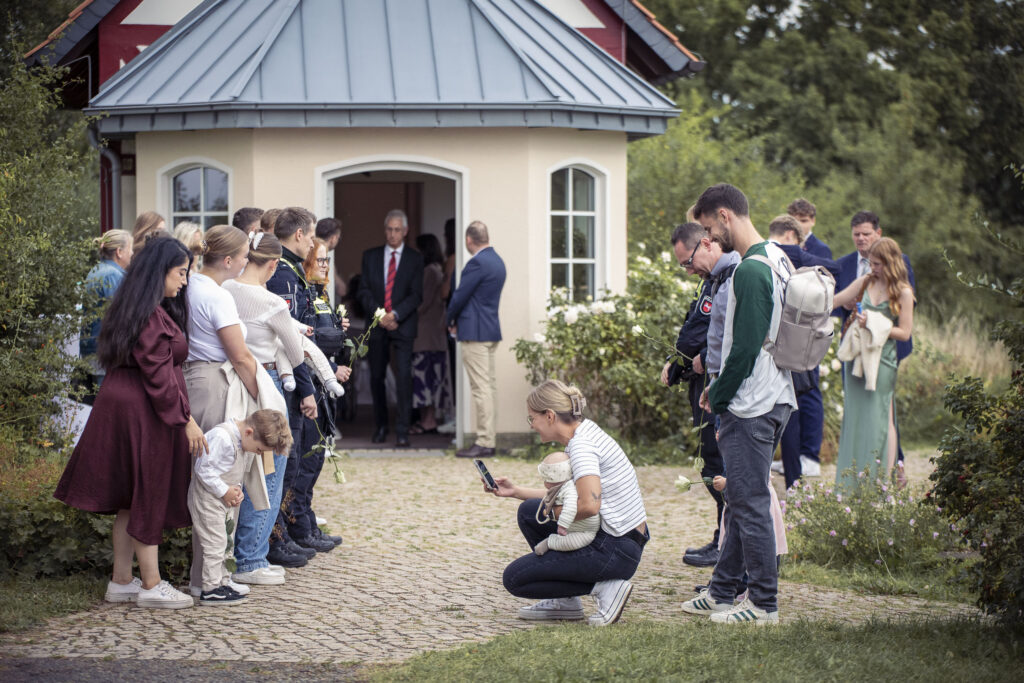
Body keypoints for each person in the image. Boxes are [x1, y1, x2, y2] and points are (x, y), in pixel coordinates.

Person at [55, 237, 203, 610]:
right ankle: (151, 584)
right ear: (159, 272)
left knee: (130, 496)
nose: (184, 280)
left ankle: (121, 580)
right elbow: (159, 376)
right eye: (180, 272)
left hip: (126, 402)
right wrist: (185, 420)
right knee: (148, 491)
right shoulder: (150, 315)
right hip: (143, 408)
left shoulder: (136, 308)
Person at [682, 183, 796, 625]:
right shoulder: (778, 258)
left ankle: (763, 603)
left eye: (709, 229)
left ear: (725, 216)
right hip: (776, 393)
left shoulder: (750, 270)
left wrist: (718, 393)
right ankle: (722, 591)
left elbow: (745, 349)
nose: (709, 238)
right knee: (740, 499)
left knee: (749, 503)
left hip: (752, 404)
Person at [490, 380, 648, 627]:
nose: (531, 425)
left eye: (532, 418)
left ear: (550, 416)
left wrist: (552, 513)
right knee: (529, 511)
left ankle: (606, 588)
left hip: (615, 549)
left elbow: (589, 505)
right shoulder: (586, 432)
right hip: (622, 540)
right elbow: (572, 497)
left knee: (515, 578)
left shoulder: (582, 448)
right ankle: (565, 601)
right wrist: (515, 491)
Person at [223, 231, 312, 570]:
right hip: (268, 382)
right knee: (269, 473)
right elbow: (296, 353)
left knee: (237, 468)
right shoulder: (273, 302)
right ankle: (252, 557)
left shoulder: (226, 289)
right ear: (273, 264)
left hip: (233, 381)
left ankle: (233, 553)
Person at [267, 207, 341, 555]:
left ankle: (293, 527)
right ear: (298, 234)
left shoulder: (292, 270)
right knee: (290, 463)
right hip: (293, 380)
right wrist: (308, 388)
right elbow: (291, 339)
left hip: (303, 377)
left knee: (301, 460)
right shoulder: (283, 274)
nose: (313, 244)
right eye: (311, 237)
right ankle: (278, 536)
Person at [662, 222, 733, 569]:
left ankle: (727, 544)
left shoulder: (727, 276)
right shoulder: (711, 279)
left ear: (704, 244)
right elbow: (693, 324)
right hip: (700, 377)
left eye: (687, 262)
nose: (688, 270)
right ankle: (723, 538)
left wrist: (683, 361)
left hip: (713, 380)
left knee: (716, 465)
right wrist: (676, 361)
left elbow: (707, 333)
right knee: (710, 463)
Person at [834, 211, 916, 465]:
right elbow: (834, 301)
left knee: (883, 416)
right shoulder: (865, 280)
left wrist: (875, 323)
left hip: (885, 357)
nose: (873, 268)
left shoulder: (903, 290)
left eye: (878, 264)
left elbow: (905, 331)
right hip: (858, 355)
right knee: (855, 416)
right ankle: (855, 471)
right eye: (871, 264)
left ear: (891, 263)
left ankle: (886, 474)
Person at [189, 409, 292, 606]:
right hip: (207, 500)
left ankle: (223, 581)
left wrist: (236, 491)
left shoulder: (242, 440)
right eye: (259, 449)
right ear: (249, 432)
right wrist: (224, 491)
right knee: (215, 543)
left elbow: (230, 471)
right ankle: (210, 588)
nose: (258, 453)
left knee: (227, 541)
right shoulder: (222, 437)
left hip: (223, 500)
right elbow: (203, 469)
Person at [767, 214, 839, 486]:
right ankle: (793, 481)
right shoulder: (792, 252)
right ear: (790, 235)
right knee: (790, 412)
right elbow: (834, 269)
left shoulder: (750, 251)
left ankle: (769, 477)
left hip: (760, 344)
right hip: (786, 346)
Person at [357, 209, 424, 447]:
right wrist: (380, 315)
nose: (392, 234)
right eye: (389, 229)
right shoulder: (370, 256)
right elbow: (363, 291)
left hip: (402, 325)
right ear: (385, 230)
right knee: (377, 377)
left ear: (405, 231)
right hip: (377, 326)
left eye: (397, 230)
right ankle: (381, 426)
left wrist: (395, 315)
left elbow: (416, 295)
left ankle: (403, 429)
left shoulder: (415, 259)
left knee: (404, 376)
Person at [447, 221, 507, 458]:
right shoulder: (498, 261)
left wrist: (449, 319)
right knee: (489, 387)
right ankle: (489, 438)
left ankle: (484, 441)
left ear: (468, 240)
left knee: (481, 388)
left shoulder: (477, 263)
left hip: (475, 332)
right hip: (490, 330)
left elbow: (460, 296)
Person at [80, 229, 133, 390]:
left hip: (93, 350)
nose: (132, 253)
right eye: (130, 249)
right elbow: (120, 317)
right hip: (106, 352)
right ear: (119, 252)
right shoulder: (113, 275)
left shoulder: (96, 270)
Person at [410, 233, 451, 435]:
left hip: (426, 336)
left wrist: (401, 314)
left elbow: (423, 303)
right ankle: (429, 420)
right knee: (432, 380)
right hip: (433, 336)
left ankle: (428, 421)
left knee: (425, 379)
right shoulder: (436, 270)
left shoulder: (429, 272)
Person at [532, 451, 600, 556]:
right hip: (573, 526)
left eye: (544, 479)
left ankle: (550, 542)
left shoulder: (570, 489)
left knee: (572, 542)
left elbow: (570, 507)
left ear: (550, 480)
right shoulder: (562, 487)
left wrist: (562, 525)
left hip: (586, 530)